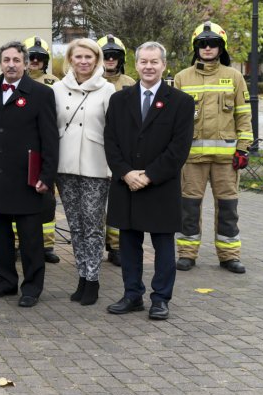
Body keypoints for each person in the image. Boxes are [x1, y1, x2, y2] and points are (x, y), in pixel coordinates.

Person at [105, 42, 194, 320]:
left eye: (154, 62)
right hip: (126, 184)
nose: (148, 67)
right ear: (136, 64)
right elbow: (110, 142)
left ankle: (160, 299)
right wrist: (126, 173)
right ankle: (132, 295)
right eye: (143, 61)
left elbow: (179, 148)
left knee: (163, 246)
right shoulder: (119, 100)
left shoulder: (180, 102)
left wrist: (149, 175)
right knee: (128, 244)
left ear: (164, 65)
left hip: (161, 186)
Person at [0, 41, 58, 308]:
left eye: (16, 60)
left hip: (27, 178)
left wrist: (47, 174)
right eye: (6, 59)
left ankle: (31, 287)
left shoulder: (41, 94)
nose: (11, 64)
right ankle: (5, 281)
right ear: (0, 63)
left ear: (25, 63)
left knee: (30, 237)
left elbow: (50, 138)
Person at [173, 22, 252, 274]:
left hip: (226, 160)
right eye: (202, 43)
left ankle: (229, 255)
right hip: (191, 160)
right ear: (196, 47)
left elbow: (243, 116)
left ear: (221, 47)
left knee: (228, 208)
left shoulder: (234, 77)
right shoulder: (182, 78)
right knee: (189, 209)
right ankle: (187, 253)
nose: (208, 48)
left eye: (213, 43)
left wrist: (243, 148)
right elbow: (173, 121)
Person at [52, 39, 114, 306]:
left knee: (92, 227)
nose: (84, 61)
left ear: (97, 59)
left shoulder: (107, 89)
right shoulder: (56, 89)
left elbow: (113, 130)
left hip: (95, 166)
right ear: (70, 59)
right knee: (75, 226)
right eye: (79, 57)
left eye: (89, 56)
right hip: (65, 166)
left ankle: (93, 279)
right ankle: (81, 275)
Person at [97, 33, 135, 267]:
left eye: (114, 56)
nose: (110, 60)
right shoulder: (90, 81)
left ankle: (117, 246)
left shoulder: (130, 83)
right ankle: (94, 244)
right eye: (106, 55)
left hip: (122, 151)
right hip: (95, 148)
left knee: (118, 200)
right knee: (95, 201)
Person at [22, 35, 59, 264]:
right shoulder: (16, 80)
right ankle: (19, 244)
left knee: (47, 199)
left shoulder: (55, 83)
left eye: (39, 58)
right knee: (20, 197)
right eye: (31, 57)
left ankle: (46, 245)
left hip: (46, 148)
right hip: (24, 149)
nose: (35, 61)